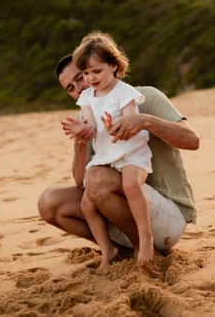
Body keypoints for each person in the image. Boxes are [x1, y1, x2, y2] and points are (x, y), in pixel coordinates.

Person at [37, 50, 200, 261]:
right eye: (70, 87)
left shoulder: (144, 96)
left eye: (81, 76)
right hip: (121, 212)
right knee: (48, 202)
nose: (80, 87)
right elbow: (81, 182)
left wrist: (145, 121)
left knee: (98, 179)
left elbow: (192, 141)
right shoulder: (83, 117)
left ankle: (143, 246)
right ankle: (116, 249)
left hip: (168, 217)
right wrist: (81, 141)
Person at [63, 32, 154, 268]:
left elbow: (131, 122)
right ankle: (108, 249)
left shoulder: (124, 92)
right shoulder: (87, 96)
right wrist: (82, 128)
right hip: (107, 156)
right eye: (85, 73)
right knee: (86, 204)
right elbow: (91, 123)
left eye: (96, 71)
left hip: (132, 152)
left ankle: (145, 238)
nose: (90, 78)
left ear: (113, 66)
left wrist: (117, 127)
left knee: (131, 184)